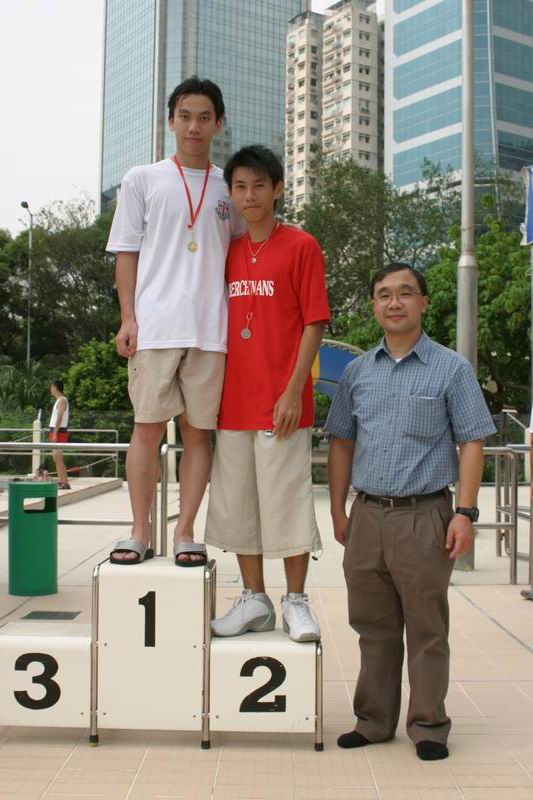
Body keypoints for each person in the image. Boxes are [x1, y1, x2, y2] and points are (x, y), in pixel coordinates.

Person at [325, 262, 496, 760]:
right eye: (384, 294)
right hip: (367, 515)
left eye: (405, 293)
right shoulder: (357, 372)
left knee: (426, 628)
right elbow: (341, 442)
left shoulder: (451, 368)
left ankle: (428, 726)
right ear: (374, 305)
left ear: (423, 301)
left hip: (425, 517)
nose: (394, 302)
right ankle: (374, 721)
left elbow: (472, 441)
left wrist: (465, 512)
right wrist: (338, 510)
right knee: (372, 627)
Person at [106, 76, 245, 566]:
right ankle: (139, 531)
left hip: (211, 330)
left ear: (218, 124)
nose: (194, 127)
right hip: (156, 326)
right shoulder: (142, 178)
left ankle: (186, 531)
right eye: (185, 116)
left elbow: (242, 256)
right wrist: (128, 317)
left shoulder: (231, 185)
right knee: (146, 428)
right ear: (170, 121)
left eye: (204, 117)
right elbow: (126, 252)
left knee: (198, 433)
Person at [205, 145, 330, 642]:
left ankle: (295, 601)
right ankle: (253, 599)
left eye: (259, 185)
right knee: (239, 506)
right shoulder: (228, 249)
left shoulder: (301, 245)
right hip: (233, 403)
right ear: (231, 193)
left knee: (287, 503)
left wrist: (293, 391)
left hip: (283, 405)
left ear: (278, 189)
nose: (249, 195)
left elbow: (314, 322)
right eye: (240, 186)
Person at [49, 379, 70, 490]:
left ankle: (65, 482)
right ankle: (61, 481)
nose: (50, 389)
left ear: (56, 388)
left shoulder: (62, 400)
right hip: (55, 431)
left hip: (59, 431)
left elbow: (60, 417)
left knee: (58, 458)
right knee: (56, 458)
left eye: (52, 387)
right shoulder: (59, 400)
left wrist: (55, 433)